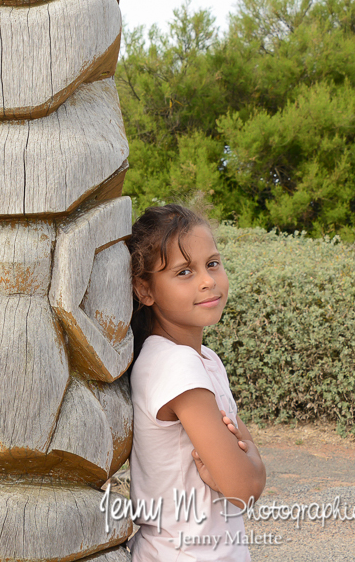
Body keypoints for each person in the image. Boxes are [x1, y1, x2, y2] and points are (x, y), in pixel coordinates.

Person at [127, 204, 266, 561]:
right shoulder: (176, 365)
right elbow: (244, 488)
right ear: (145, 290)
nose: (207, 280)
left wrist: (243, 468)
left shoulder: (205, 360)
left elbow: (238, 480)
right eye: (184, 271)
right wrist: (253, 466)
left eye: (213, 264)